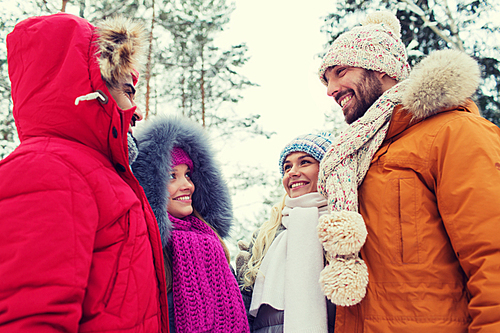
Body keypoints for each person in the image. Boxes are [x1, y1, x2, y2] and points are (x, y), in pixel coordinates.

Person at [316, 10, 500, 333]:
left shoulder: (455, 133)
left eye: (341, 71)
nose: (331, 89)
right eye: (326, 80)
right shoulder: (356, 161)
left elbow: (493, 257)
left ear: (383, 69)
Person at [0, 13, 168, 332]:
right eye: (128, 91)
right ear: (95, 86)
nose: (139, 111)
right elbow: (29, 318)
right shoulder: (46, 169)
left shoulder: (98, 174)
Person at [132, 116, 249, 333]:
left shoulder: (212, 243)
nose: (187, 185)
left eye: (188, 175)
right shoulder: (145, 249)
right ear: (151, 186)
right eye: (171, 176)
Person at [236, 132, 336, 333]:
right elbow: (243, 307)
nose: (292, 172)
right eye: (287, 167)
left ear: (327, 168)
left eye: (304, 162)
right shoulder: (266, 235)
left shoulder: (344, 229)